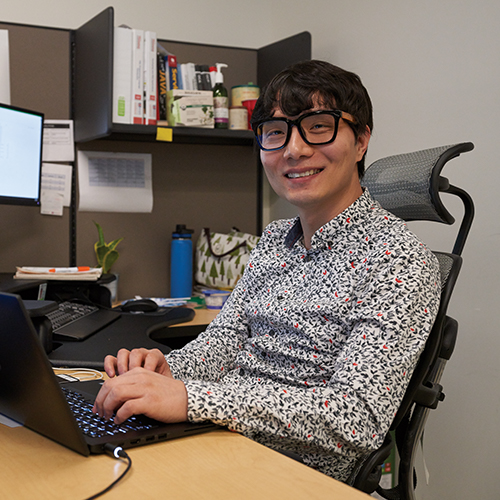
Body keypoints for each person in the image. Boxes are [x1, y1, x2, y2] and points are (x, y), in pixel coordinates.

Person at [93, 60, 441, 483]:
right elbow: (222, 344)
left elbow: (356, 419)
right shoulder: (276, 240)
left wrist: (191, 398)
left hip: (290, 473)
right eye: (276, 132)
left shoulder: (398, 259)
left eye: (318, 126)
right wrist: (165, 371)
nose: (293, 149)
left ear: (362, 140)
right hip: (219, 437)